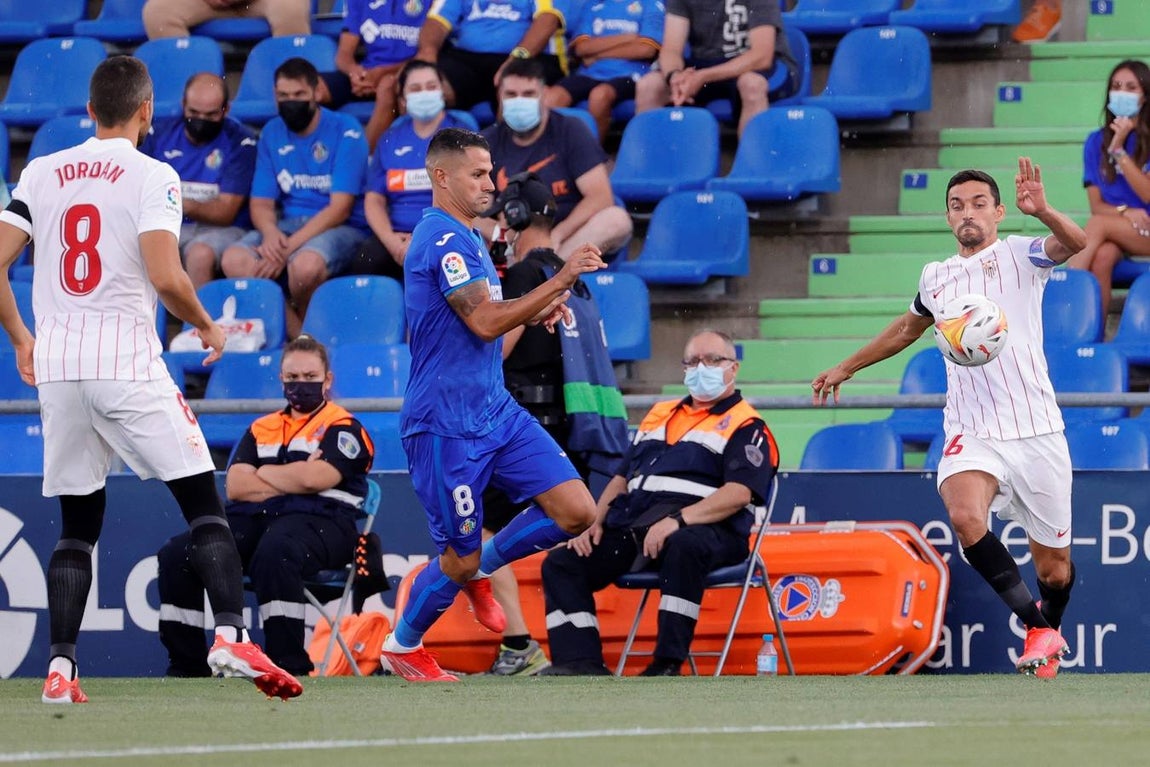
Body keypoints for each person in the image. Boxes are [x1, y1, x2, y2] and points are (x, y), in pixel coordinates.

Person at [0, 55, 301, 703]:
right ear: (145, 111)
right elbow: (167, 275)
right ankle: (229, 636)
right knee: (202, 503)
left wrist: (23, 337)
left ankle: (60, 668)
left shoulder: (41, 171)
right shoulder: (153, 173)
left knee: (77, 523)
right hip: (126, 362)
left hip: (58, 368)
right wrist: (208, 326)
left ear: (88, 111)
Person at [810, 159, 1087, 679]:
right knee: (963, 516)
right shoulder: (935, 278)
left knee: (1055, 568)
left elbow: (1076, 242)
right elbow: (904, 329)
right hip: (971, 429)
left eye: (980, 204)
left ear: (1000, 212)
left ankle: (1047, 628)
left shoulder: (1020, 255)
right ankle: (1036, 628)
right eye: (958, 206)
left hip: (1037, 429)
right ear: (947, 217)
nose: (969, 214)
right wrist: (846, 365)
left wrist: (1045, 210)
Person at [379, 127, 606, 682]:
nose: (490, 183)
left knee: (578, 511)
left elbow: (486, 314)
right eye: (477, 174)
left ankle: (482, 568)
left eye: (490, 171)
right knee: (457, 560)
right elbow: (482, 322)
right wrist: (560, 282)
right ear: (441, 176)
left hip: (494, 411)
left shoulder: (471, 236)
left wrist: (535, 313)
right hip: (445, 422)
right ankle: (403, 644)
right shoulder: (443, 240)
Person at [540, 329, 778, 676]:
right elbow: (621, 479)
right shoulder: (660, 413)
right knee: (563, 561)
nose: (702, 367)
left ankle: (666, 663)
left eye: (713, 360)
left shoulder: (747, 423)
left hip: (711, 531)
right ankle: (579, 663)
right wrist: (595, 521)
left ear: (733, 368)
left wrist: (678, 521)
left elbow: (739, 493)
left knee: (683, 545)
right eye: (694, 361)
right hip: (638, 527)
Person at [479, 171, 629, 675]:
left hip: (525, 427)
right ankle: (572, 652)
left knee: (477, 529)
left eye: (502, 215)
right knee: (561, 533)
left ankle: (519, 643)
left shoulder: (524, 276)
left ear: (515, 217)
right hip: (572, 428)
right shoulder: (574, 278)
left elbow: (496, 353)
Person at [157, 335, 375, 677]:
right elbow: (236, 485)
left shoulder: (343, 426)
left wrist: (265, 471)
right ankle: (186, 667)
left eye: (309, 377)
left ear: (327, 380)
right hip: (258, 519)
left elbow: (317, 479)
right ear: (281, 380)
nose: (300, 385)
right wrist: (293, 476)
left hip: (325, 523)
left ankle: (287, 665)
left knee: (277, 550)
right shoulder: (261, 427)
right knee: (180, 553)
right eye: (292, 378)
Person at [220, 58, 370, 339]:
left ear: (316, 93)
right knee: (234, 259)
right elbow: (261, 203)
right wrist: (270, 233)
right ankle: (301, 338)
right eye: (283, 96)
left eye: (299, 94)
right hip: (288, 224)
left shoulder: (346, 129)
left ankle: (310, 340)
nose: (291, 101)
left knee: (304, 267)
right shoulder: (272, 132)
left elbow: (340, 208)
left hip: (338, 226)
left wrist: (287, 249)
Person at [481, 58, 633, 261]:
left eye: (528, 94)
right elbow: (479, 209)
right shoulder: (487, 141)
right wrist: (507, 235)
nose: (519, 100)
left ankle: (547, 274)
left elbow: (600, 197)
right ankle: (531, 276)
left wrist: (556, 236)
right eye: (511, 94)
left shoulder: (571, 129)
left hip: (565, 241)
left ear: (544, 95)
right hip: (511, 244)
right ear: (500, 97)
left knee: (617, 220)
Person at [354, 59, 473, 281]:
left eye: (431, 87)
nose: (424, 93)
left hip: (446, 233)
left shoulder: (463, 135)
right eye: (415, 89)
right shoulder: (390, 138)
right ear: (403, 98)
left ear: (442, 91)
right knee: (365, 260)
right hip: (397, 237)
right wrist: (391, 241)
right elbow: (374, 200)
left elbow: (472, 194)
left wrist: (421, 238)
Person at [140, 73, 257, 288]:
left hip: (222, 229)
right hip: (171, 224)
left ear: (226, 110)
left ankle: (198, 322)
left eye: (211, 114)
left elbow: (224, 213)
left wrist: (173, 201)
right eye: (194, 112)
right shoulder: (159, 135)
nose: (200, 120)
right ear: (183, 105)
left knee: (199, 254)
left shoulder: (241, 142)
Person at [634, 0, 797, 138]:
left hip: (755, 63)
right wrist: (674, 76)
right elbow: (671, 49)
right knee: (649, 86)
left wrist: (703, 76)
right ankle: (650, 168)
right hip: (705, 64)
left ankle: (752, 169)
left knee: (752, 84)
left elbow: (762, 56)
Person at [1066, 60, 1150, 313]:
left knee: (1096, 226)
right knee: (1102, 258)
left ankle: (1063, 288)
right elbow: (1097, 206)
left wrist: (1118, 150)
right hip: (1119, 229)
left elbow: (1147, 196)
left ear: (1145, 96)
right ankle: (1094, 339)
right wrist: (1125, 212)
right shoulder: (1094, 142)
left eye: (1131, 87)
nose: (1122, 92)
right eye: (1116, 86)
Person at [543, 0, 664, 143]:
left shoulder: (651, 4)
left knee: (599, 95)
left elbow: (646, 49)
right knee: (551, 97)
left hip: (630, 74)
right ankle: (550, 156)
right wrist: (627, 38)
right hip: (591, 73)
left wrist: (597, 54)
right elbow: (582, 48)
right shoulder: (593, 5)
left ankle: (591, 156)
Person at [414, 0, 568, 112]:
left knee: (515, 87)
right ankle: (422, 150)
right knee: (424, 83)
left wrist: (518, 58)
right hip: (468, 60)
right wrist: (428, 52)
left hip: (526, 55)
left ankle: (506, 152)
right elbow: (437, 21)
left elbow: (548, 19)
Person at [318, 0, 430, 150]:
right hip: (368, 74)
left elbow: (429, 54)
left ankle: (366, 161)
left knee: (386, 86)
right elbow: (343, 55)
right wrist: (356, 74)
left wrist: (384, 73)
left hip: (408, 72)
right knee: (314, 87)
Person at [143, 0, 311, 39]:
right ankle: (190, 90)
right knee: (157, 13)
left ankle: (293, 85)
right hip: (210, 3)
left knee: (290, 8)